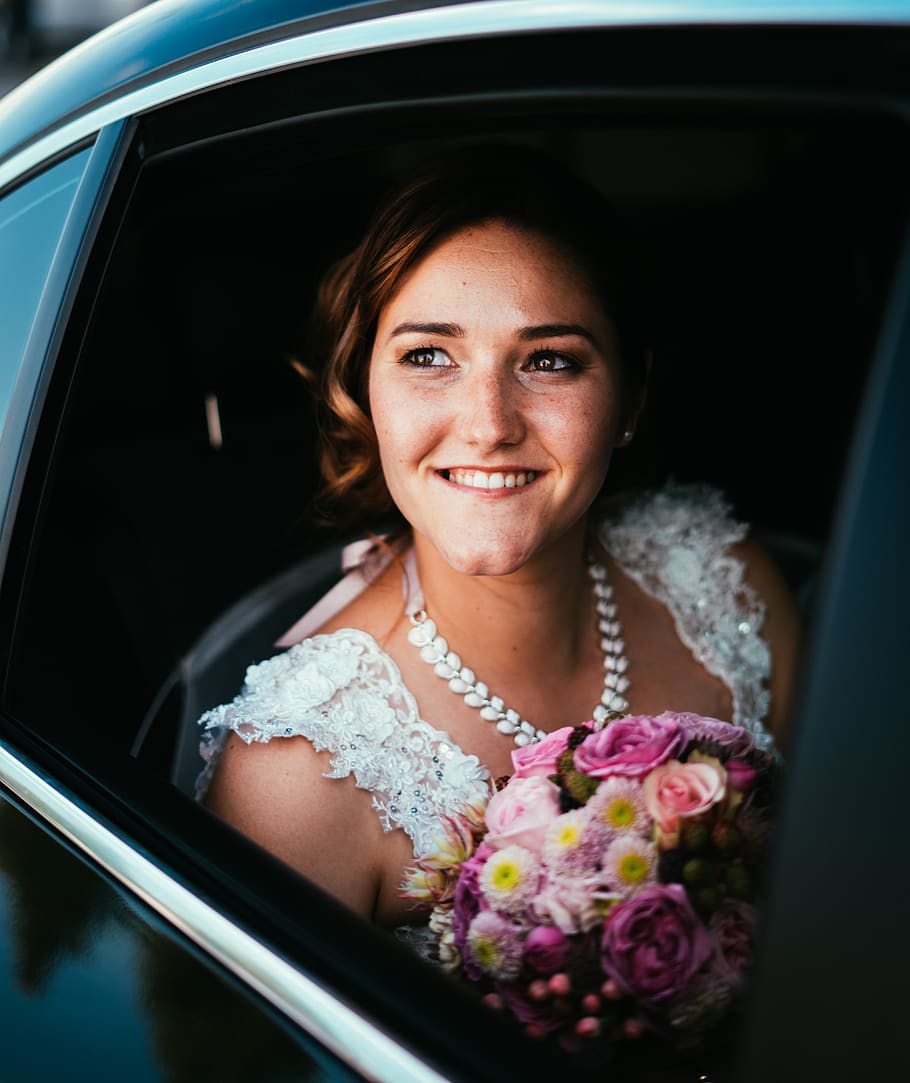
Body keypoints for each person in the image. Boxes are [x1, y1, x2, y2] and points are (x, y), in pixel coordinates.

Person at [197, 146, 801, 935]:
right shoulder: (296, 776)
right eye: (429, 356)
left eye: (549, 361)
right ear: (363, 388)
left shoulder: (730, 589)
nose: (488, 425)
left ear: (629, 396)